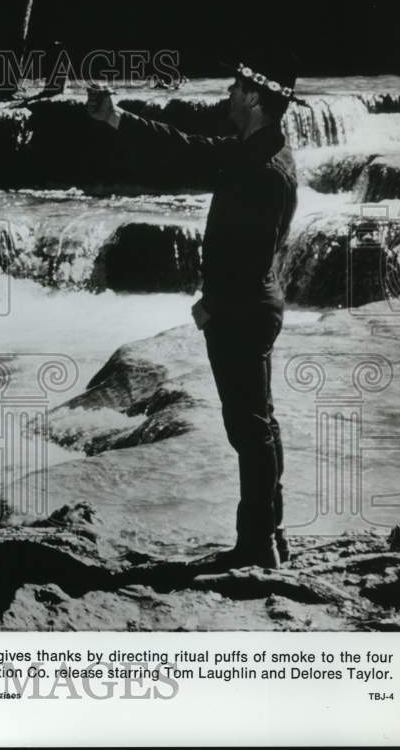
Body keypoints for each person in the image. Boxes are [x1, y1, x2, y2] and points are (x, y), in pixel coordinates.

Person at [86, 51, 300, 569]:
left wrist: (212, 308)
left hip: (243, 310)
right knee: (258, 425)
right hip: (251, 306)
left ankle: (257, 544)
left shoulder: (265, 169)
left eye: (234, 88)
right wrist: (116, 118)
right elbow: (182, 147)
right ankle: (270, 535)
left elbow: (250, 260)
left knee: (249, 429)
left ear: (253, 97)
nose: (227, 94)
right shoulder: (254, 151)